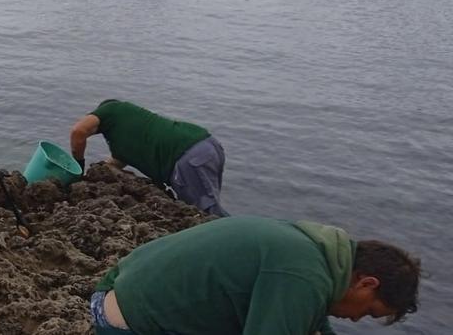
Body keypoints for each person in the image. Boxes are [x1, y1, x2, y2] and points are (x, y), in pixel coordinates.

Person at [91, 216, 420, 335]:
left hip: (114, 290)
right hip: (127, 324)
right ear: (367, 283)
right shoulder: (304, 277)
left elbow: (314, 320)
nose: (358, 319)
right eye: (370, 311)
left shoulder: (314, 250)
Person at [70, 99, 228, 216]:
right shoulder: (124, 137)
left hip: (186, 156)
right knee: (210, 204)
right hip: (208, 145)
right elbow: (114, 163)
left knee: (206, 215)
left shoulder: (111, 109)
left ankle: (242, 247)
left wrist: (78, 166)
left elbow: (78, 132)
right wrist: (94, 174)